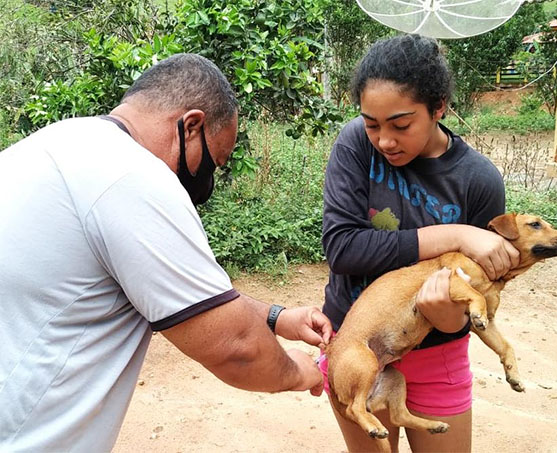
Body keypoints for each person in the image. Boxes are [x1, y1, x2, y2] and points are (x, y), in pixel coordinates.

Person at [0, 53, 332, 451]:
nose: (207, 179)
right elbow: (236, 348)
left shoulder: (55, 144)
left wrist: (277, 317)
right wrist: (302, 371)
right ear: (191, 126)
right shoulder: (132, 176)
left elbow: (194, 298)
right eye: (214, 163)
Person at [318, 34, 520, 452]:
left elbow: (479, 293)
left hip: (438, 355)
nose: (384, 140)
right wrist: (455, 233)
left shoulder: (478, 180)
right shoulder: (355, 145)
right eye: (372, 123)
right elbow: (342, 248)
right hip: (357, 344)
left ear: (439, 107)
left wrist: (447, 317)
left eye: (401, 124)